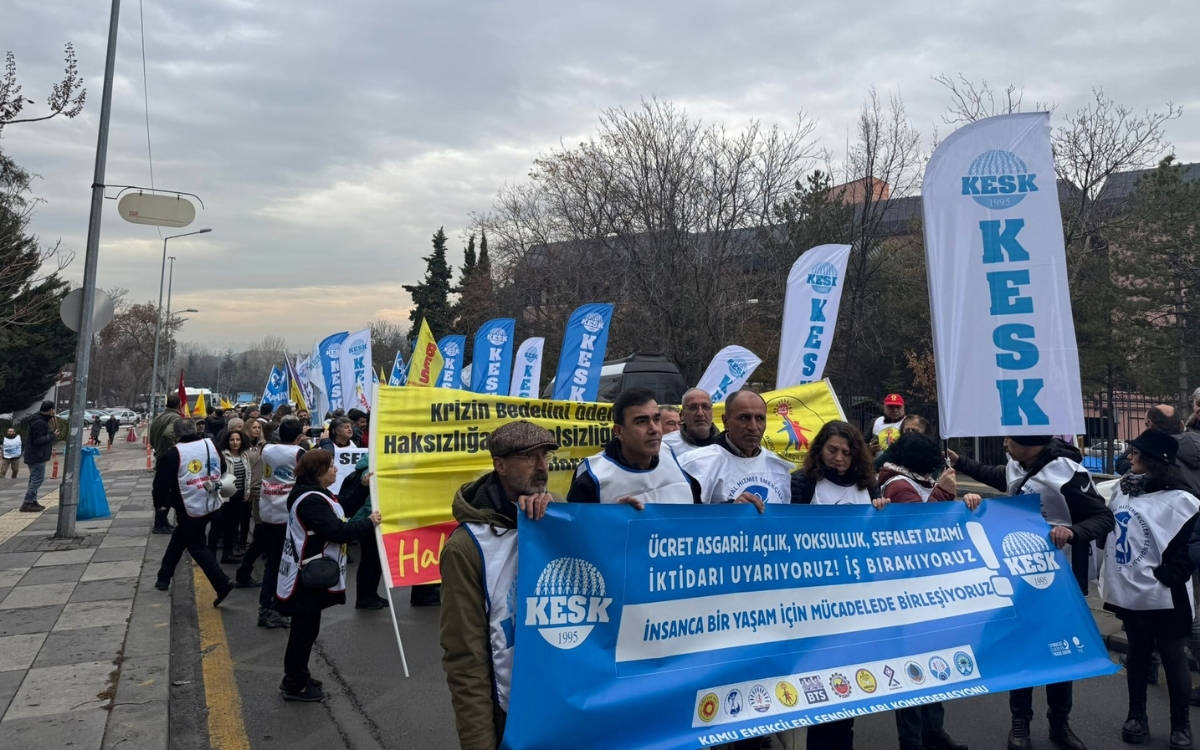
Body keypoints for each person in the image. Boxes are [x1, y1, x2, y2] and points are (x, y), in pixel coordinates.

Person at [950, 435, 1114, 750]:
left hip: (1060, 581)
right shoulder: (1017, 464)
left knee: (1061, 654)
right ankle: (1020, 723)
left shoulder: (1066, 472)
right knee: (1022, 649)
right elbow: (997, 475)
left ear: (1029, 444)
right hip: (1020, 579)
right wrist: (961, 463)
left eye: (1010, 440)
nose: (1004, 444)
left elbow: (1103, 516)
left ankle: (1060, 725)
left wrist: (1073, 532)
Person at [440, 420, 558, 749]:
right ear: (500, 465)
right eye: (528, 457)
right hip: (510, 714)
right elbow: (465, 658)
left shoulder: (560, 515)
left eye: (544, 456)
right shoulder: (465, 548)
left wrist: (622, 522)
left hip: (564, 705)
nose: (541, 466)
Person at [878, 432, 977, 750]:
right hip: (906, 592)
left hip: (927, 590)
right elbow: (922, 531)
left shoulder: (914, 480)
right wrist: (945, 494)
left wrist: (965, 504)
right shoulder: (897, 485)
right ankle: (913, 740)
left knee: (936, 662)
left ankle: (934, 731)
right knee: (912, 670)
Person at [1106, 430, 1199, 749]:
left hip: (1166, 595)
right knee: (1138, 654)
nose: (1129, 457)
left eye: (1136, 453)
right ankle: (1136, 716)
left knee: (1174, 657)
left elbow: (1193, 546)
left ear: (1155, 461)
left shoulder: (1183, 500)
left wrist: (1173, 573)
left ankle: (1181, 725)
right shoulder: (1124, 490)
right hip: (1132, 593)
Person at [275, 449, 381, 701]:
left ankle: (298, 675)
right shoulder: (311, 500)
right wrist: (370, 522)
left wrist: (362, 488)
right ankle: (294, 683)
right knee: (303, 633)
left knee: (306, 631)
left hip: (307, 575)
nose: (335, 469)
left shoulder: (313, 494)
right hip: (305, 579)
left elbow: (339, 509)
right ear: (318, 472)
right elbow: (338, 530)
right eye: (330, 466)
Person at [567, 388, 700, 506]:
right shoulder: (592, 477)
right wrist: (610, 518)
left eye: (656, 419)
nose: (654, 429)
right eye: (641, 422)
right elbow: (577, 531)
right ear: (618, 431)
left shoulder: (670, 456)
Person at [153, 420, 234, 606]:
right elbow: (221, 468)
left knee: (196, 545)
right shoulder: (210, 444)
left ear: (176, 435)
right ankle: (163, 576)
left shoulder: (173, 454)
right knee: (180, 537)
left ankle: (221, 582)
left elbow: (160, 484)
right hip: (212, 501)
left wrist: (160, 505)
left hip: (189, 505)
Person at [242, 416, 306, 629]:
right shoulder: (299, 454)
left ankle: (274, 605)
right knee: (281, 564)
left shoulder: (267, 449)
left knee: (273, 562)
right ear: (299, 437)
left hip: (267, 511)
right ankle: (269, 608)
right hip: (286, 515)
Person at [678, 390, 792, 506]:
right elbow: (682, 516)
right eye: (744, 418)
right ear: (725, 421)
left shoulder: (779, 467)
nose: (753, 427)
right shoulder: (695, 464)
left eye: (760, 418)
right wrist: (730, 511)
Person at [337, 454, 388, 610]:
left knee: (373, 559)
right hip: (368, 518)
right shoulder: (369, 469)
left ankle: (370, 594)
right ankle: (366, 597)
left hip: (368, 518)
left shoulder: (367, 464)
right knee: (371, 559)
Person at [209, 428, 249, 564]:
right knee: (219, 527)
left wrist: (247, 492)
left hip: (239, 497)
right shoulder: (222, 456)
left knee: (233, 528)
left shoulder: (244, 456)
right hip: (225, 497)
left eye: (238, 439)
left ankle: (228, 553)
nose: (235, 442)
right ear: (227, 441)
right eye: (232, 440)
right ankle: (211, 556)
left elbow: (247, 476)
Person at [149, 394, 184, 533]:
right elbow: (168, 434)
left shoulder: (159, 417)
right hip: (167, 458)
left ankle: (162, 521)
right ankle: (160, 523)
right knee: (168, 491)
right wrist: (175, 448)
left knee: (162, 490)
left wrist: (157, 447)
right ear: (179, 405)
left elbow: (152, 437)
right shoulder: (175, 418)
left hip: (160, 455)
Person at [662, 388, 720, 457]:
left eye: (705, 407)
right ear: (682, 415)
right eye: (693, 407)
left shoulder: (726, 445)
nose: (700, 413)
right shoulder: (665, 446)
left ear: (712, 412)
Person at [20, 402, 56, 511]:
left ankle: (33, 501)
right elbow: (38, 440)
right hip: (37, 455)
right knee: (37, 479)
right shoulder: (39, 422)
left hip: (35, 455)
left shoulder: (39, 420)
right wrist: (52, 435)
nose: (54, 412)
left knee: (34, 479)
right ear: (50, 410)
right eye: (53, 410)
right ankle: (27, 502)